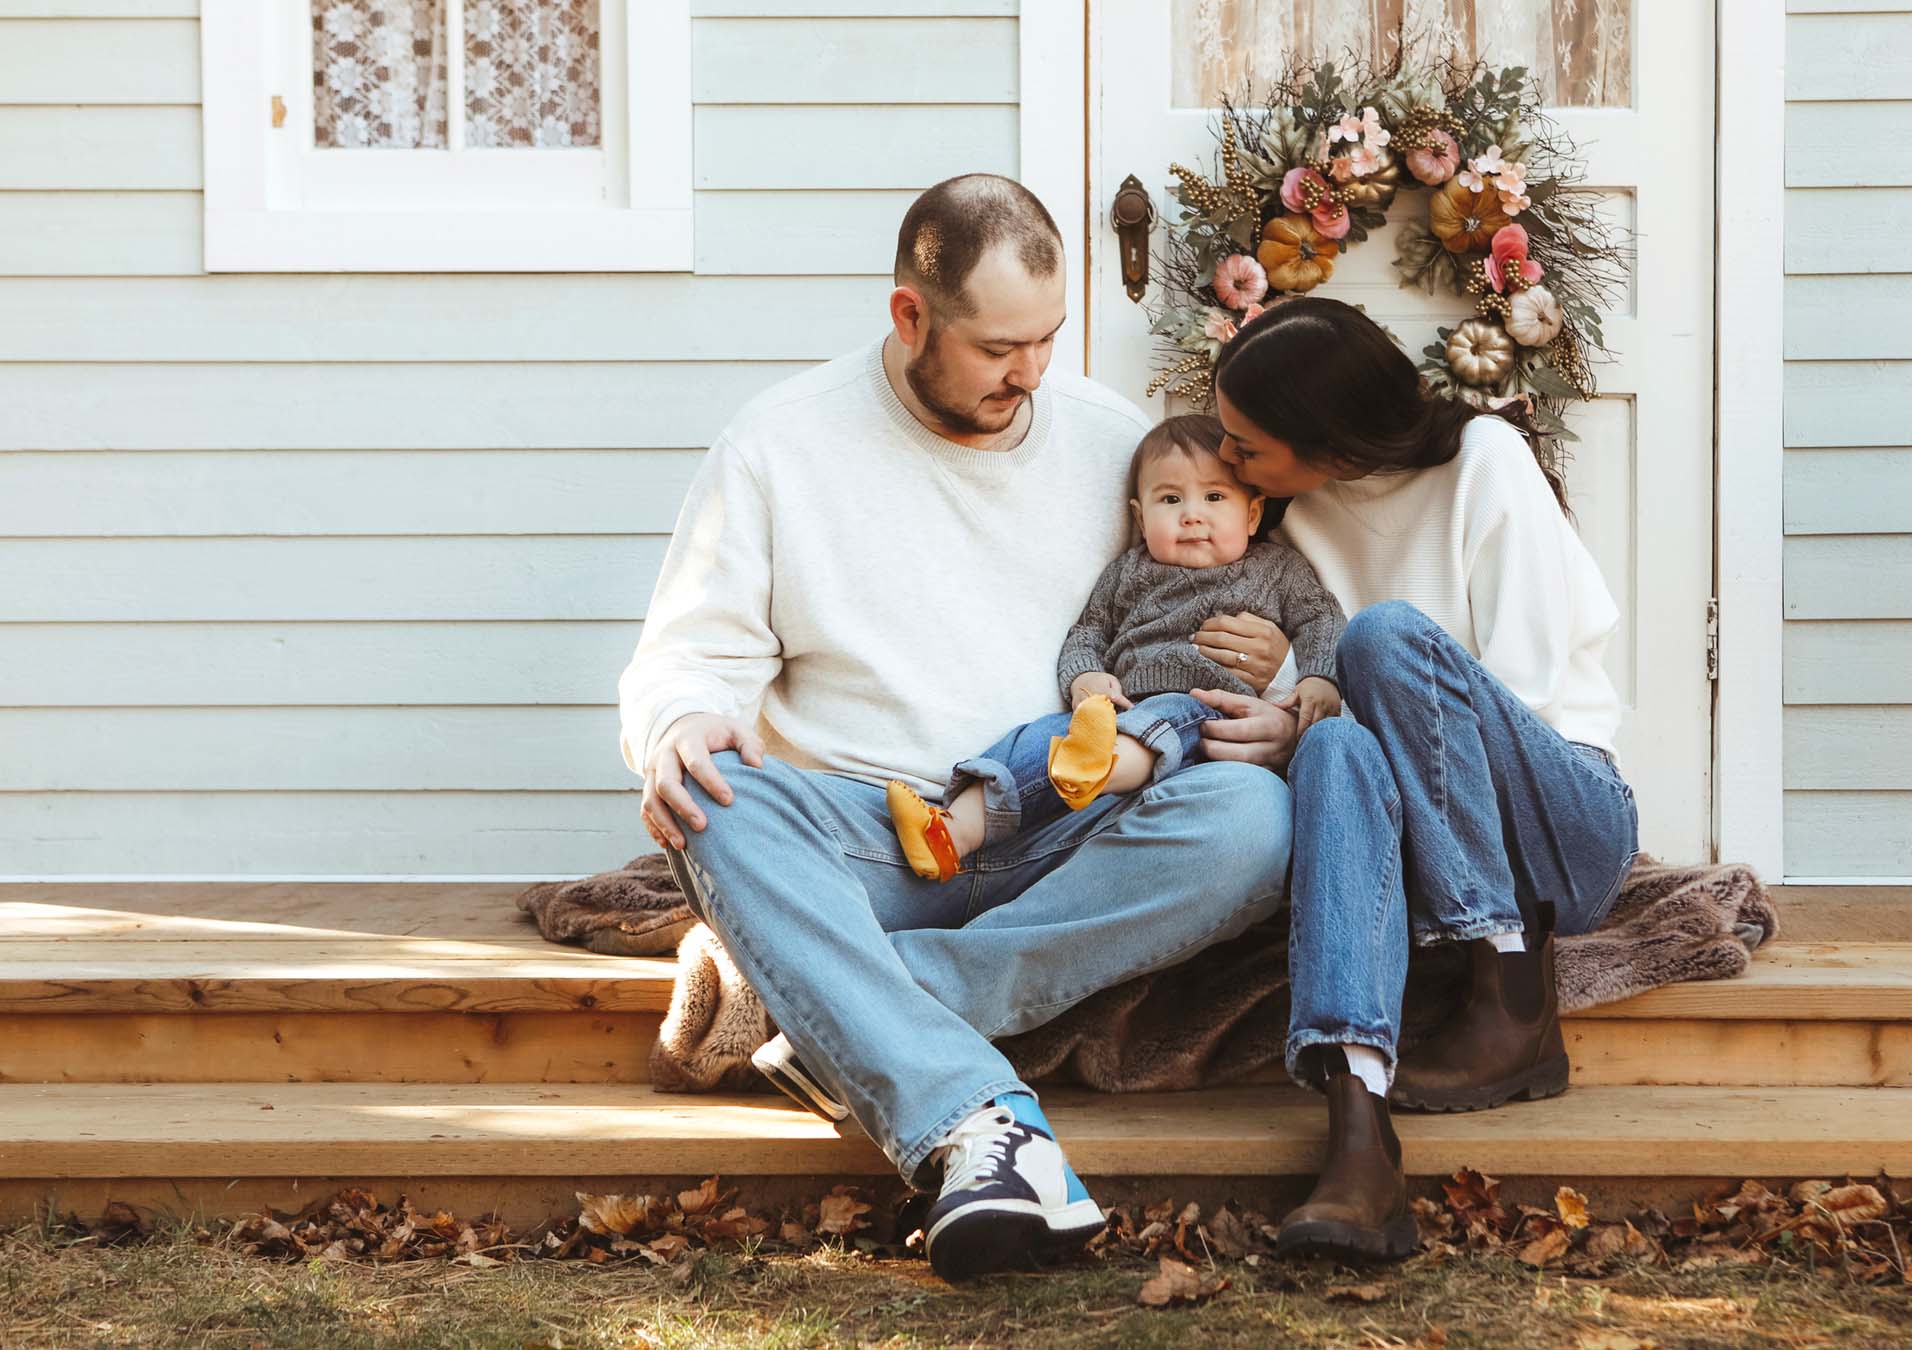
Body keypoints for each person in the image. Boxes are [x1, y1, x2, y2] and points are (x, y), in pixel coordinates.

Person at [618, 175, 1292, 1282]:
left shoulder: (1110, 440)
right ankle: (974, 1123)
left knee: (1252, 817)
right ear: (911, 317)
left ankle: (863, 1005)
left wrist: (1276, 691)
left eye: (1047, 340)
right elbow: (686, 657)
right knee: (715, 810)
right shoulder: (780, 446)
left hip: (1073, 820)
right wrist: (681, 720)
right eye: (997, 349)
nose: (1029, 374)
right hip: (878, 830)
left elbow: (1217, 596)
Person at [1192, 296, 1641, 1263]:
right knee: (1332, 748)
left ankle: (1511, 989)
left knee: (1383, 635)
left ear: (1334, 444)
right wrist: (1291, 696)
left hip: (1558, 829)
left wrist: (1331, 675)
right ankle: (1359, 1137)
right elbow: (1339, 720)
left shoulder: (1486, 464)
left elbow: (1522, 690)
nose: (1225, 464)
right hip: (1417, 846)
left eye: (1244, 447)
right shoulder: (1293, 518)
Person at [883, 413, 1346, 880]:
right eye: (1170, 499)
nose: (1192, 514)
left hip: (1210, 714)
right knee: (1038, 735)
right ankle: (951, 829)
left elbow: (1321, 618)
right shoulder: (1127, 571)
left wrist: (1318, 677)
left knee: (1169, 713)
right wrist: (1085, 676)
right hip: (1117, 713)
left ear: (1251, 514)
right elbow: (1088, 632)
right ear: (1141, 519)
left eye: (1214, 496)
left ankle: (1095, 767)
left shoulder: (1278, 569)